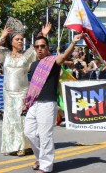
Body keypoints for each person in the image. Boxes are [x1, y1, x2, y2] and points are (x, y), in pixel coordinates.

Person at [0, 17, 51, 157]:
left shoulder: (27, 55)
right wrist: (3, 36)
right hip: (8, 93)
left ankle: (24, 146)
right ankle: (10, 145)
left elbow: (37, 47)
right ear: (11, 41)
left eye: (22, 39)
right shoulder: (5, 54)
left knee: (20, 119)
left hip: (22, 91)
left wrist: (44, 35)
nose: (20, 41)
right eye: (17, 39)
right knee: (10, 119)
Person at [24, 33, 82, 173]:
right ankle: (40, 158)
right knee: (29, 133)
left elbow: (64, 56)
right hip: (34, 104)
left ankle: (46, 166)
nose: (39, 49)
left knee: (45, 136)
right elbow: (32, 85)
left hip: (47, 104)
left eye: (42, 46)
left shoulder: (53, 62)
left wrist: (73, 42)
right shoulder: (33, 65)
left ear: (47, 48)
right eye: (37, 47)